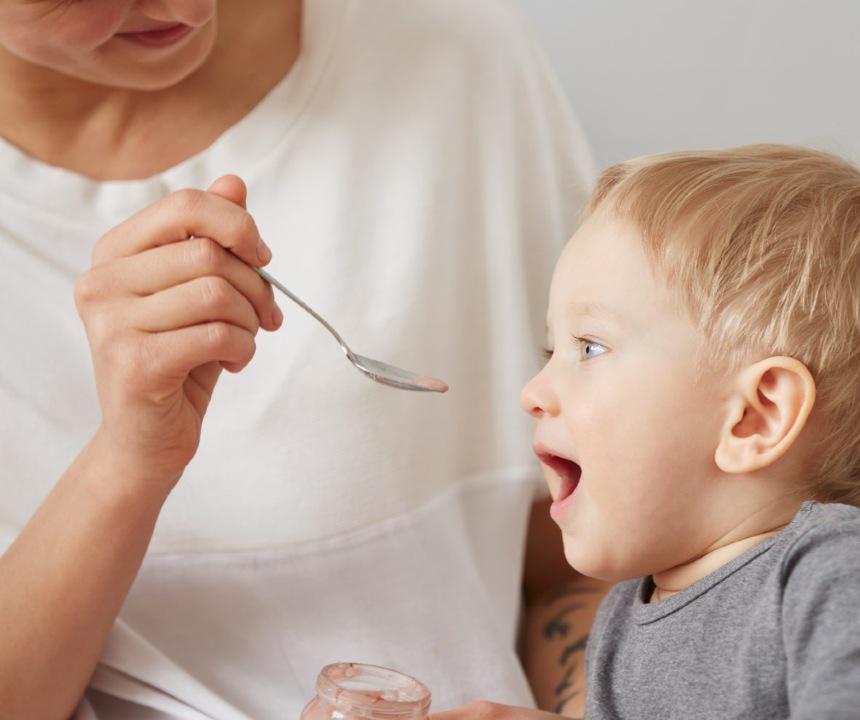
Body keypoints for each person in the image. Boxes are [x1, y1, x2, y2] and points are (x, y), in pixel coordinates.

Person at [0, 1, 607, 718]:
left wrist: (584, 706)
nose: (191, 9)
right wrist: (128, 461)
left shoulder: (450, 54)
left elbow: (577, 564)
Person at [447, 144, 860, 718]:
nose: (533, 392)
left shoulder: (836, 575)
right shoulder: (626, 615)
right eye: (552, 349)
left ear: (755, 417)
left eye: (589, 347)